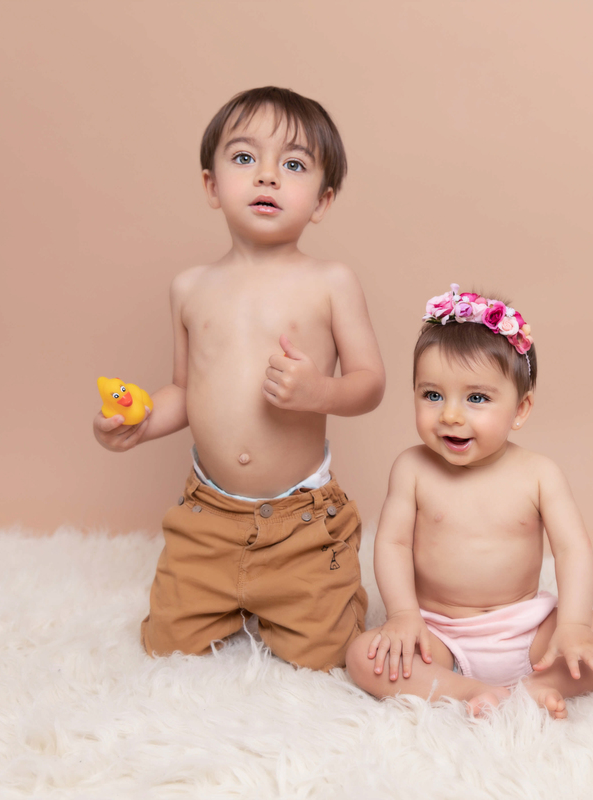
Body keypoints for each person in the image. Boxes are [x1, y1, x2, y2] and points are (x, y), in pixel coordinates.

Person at [93, 87, 385, 671]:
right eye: (245, 158)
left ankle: (313, 592)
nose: (268, 178)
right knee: (165, 647)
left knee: (327, 655)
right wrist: (140, 423)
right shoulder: (190, 287)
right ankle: (228, 594)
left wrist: (318, 392)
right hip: (209, 515)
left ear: (322, 201)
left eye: (294, 165)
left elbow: (369, 382)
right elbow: (184, 391)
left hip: (301, 517)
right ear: (211, 185)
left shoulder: (330, 282)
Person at [347, 284, 593, 718]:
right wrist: (404, 616)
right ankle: (470, 692)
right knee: (364, 655)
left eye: (476, 398)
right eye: (432, 395)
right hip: (440, 635)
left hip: (529, 630)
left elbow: (572, 550)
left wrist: (573, 626)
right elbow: (392, 545)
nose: (451, 415)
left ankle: (537, 684)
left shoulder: (539, 473)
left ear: (520, 409)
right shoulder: (412, 468)